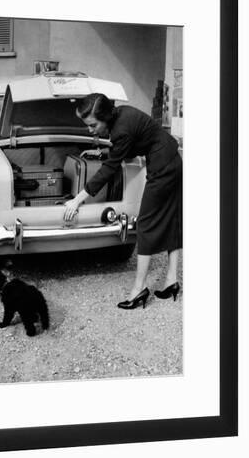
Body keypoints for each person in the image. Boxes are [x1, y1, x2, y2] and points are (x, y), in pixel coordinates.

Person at [63, 93, 182, 310]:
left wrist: (77, 199)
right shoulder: (122, 114)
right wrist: (106, 151)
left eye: (92, 125)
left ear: (106, 117)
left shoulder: (121, 130)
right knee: (171, 217)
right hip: (171, 158)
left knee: (145, 222)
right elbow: (125, 149)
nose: (90, 130)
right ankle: (172, 280)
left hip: (163, 166)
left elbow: (110, 168)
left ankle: (139, 289)